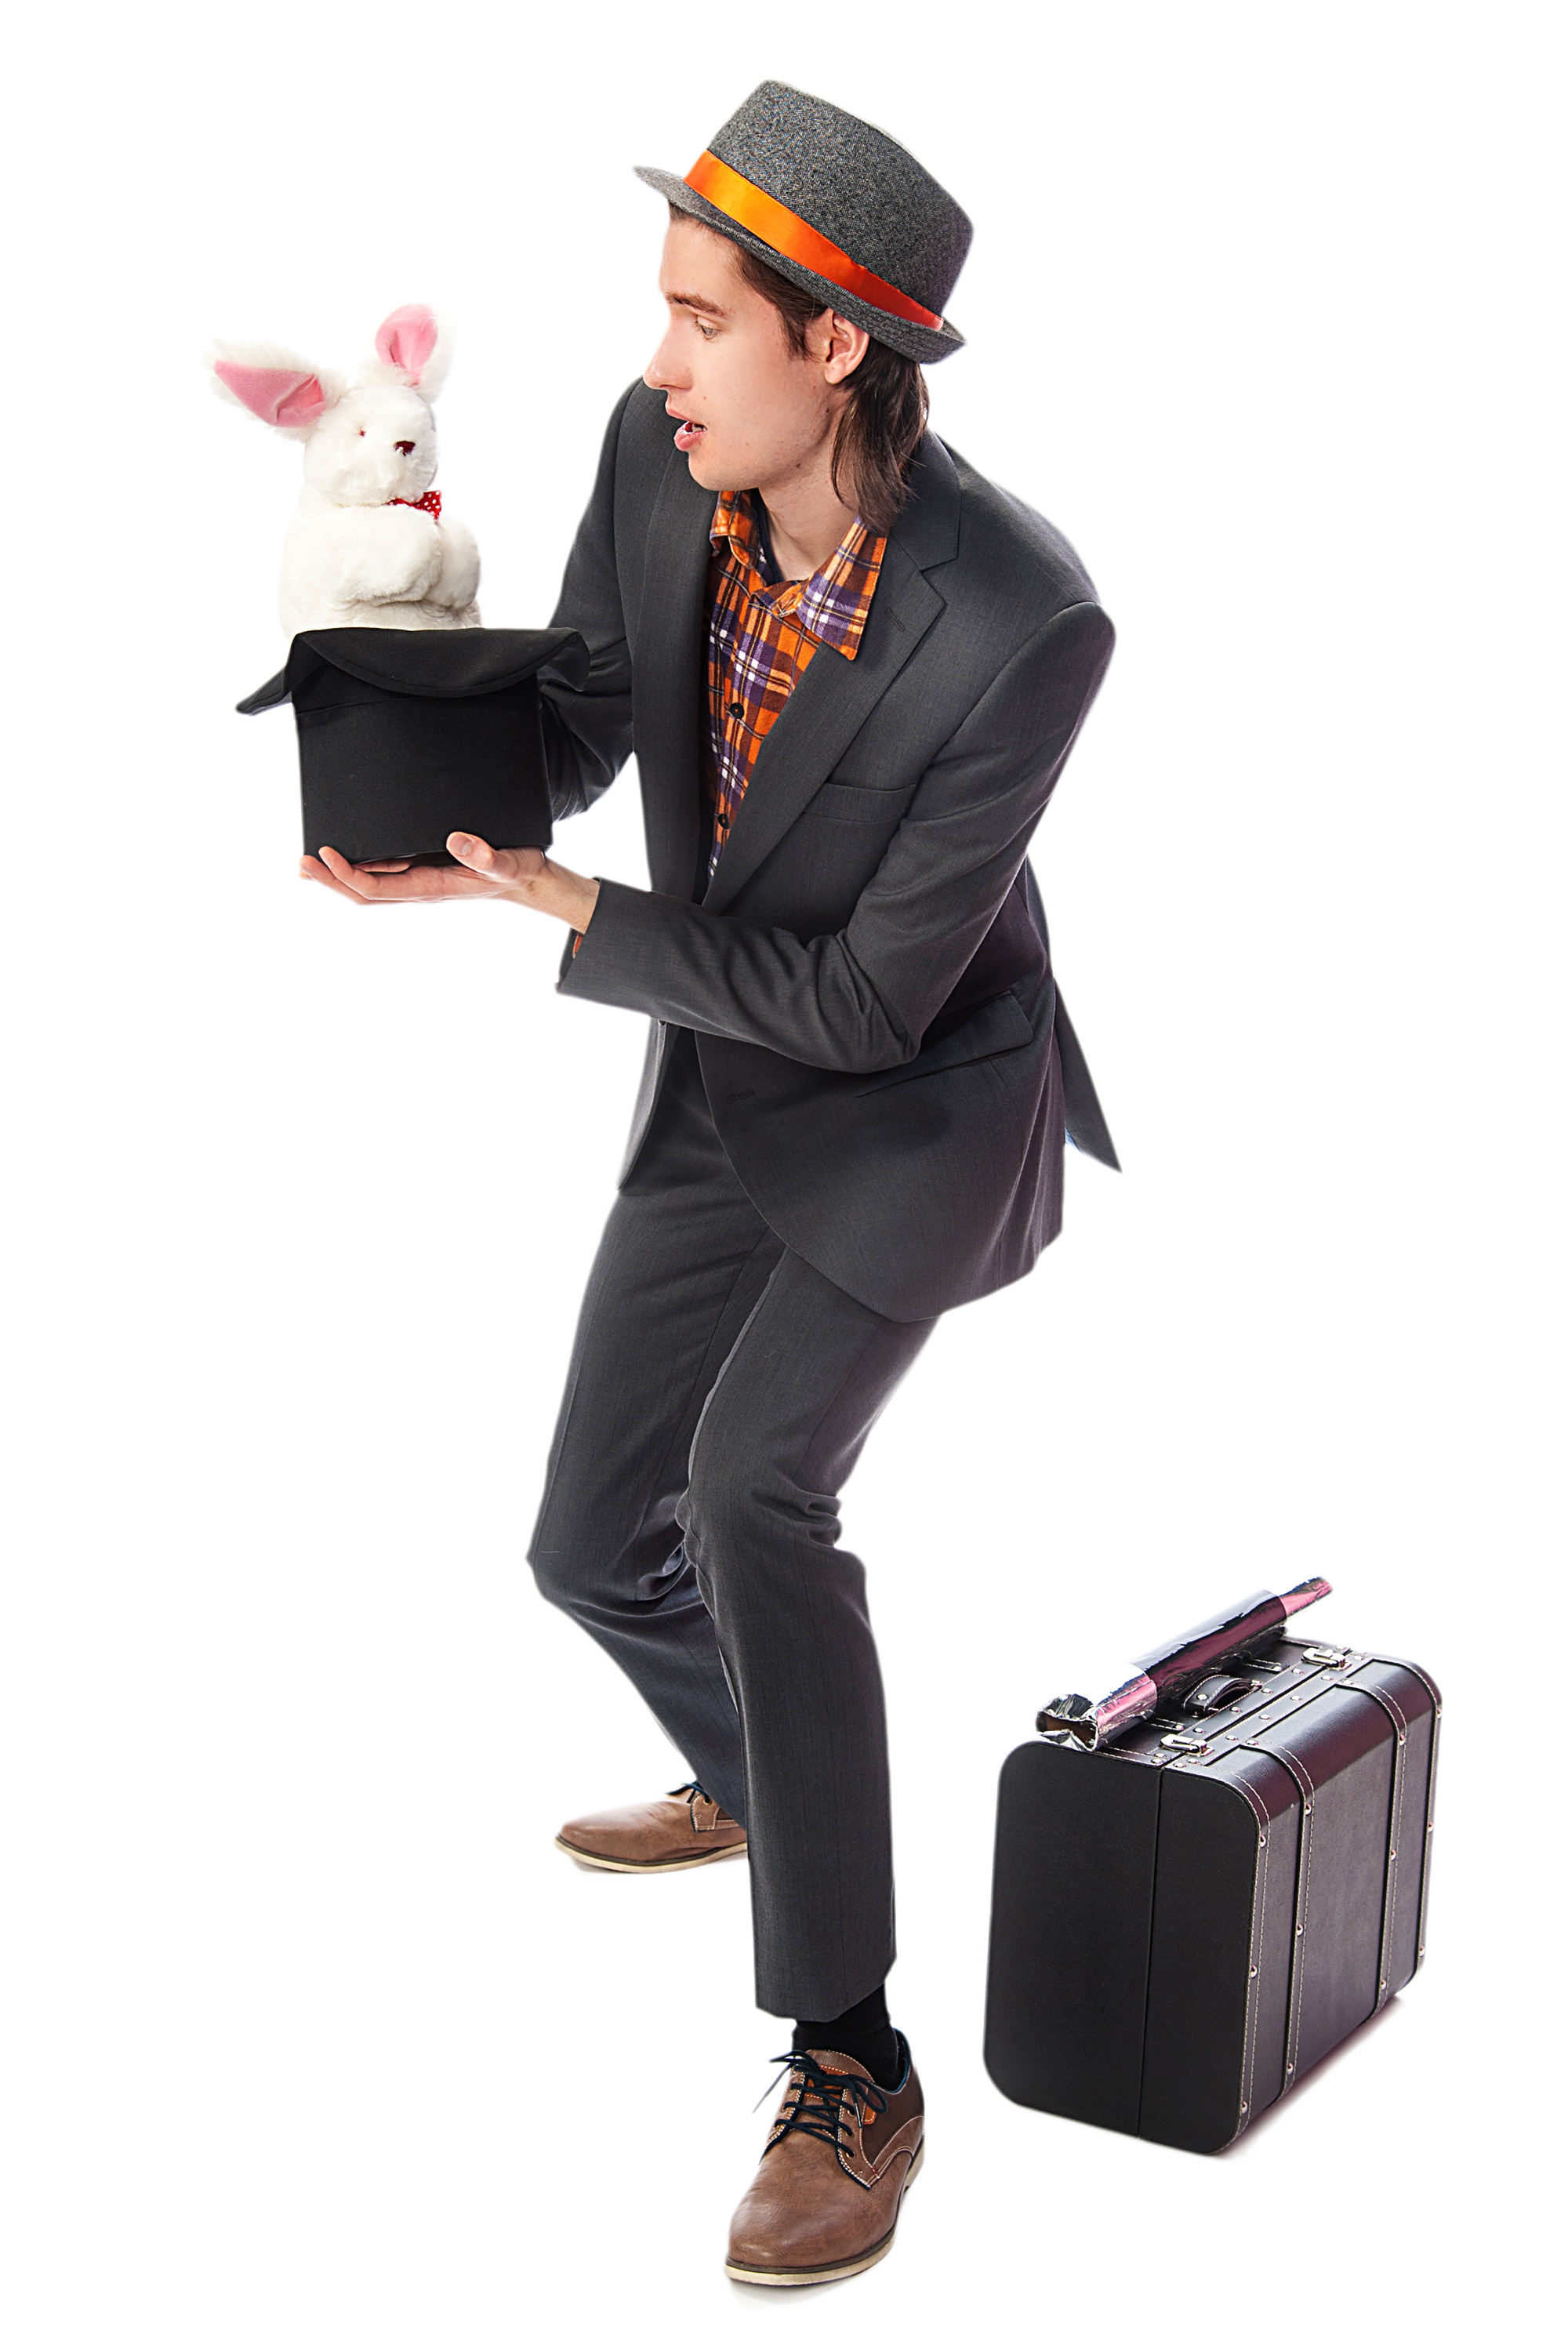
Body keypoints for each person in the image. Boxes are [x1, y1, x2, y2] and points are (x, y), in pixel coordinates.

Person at [303, 79, 1117, 2287]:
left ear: (834, 346)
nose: (657, 362)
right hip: (717, 1071)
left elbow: (861, 1000)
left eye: (700, 320)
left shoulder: (1024, 619)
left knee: (756, 1498)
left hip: (911, 1101)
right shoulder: (658, 456)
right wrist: (401, 724)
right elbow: (586, 713)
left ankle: (854, 2059)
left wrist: (570, 914)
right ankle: (771, 1786)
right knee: (588, 1543)